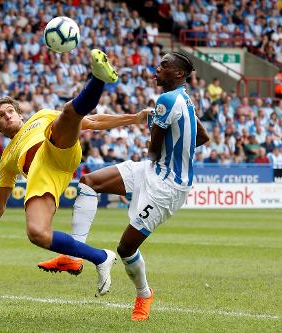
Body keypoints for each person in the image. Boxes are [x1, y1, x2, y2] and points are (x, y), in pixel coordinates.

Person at [0, 49, 150, 296]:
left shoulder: (41, 116)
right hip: (43, 178)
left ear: (19, 113)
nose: (7, 116)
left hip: (57, 149)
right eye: (1, 117)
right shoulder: (6, 159)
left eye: (10, 111)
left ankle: (98, 77)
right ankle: (101, 257)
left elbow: (92, 121)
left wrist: (134, 119)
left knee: (69, 113)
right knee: (37, 233)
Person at [38, 52, 210, 320]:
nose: (157, 68)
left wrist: (169, 156)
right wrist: (176, 152)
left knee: (125, 249)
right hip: (152, 170)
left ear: (178, 74)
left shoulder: (167, 100)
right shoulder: (184, 99)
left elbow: (153, 150)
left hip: (166, 187)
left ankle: (144, 294)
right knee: (89, 182)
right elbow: (203, 136)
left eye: (164, 65)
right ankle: (73, 256)